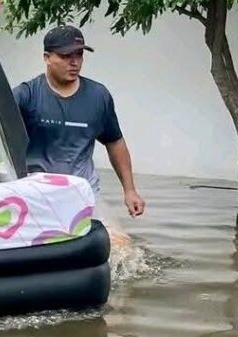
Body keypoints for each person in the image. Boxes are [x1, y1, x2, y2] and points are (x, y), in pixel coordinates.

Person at [14, 25, 145, 219]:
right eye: (66, 56)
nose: (74, 62)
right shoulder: (25, 95)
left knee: (121, 245)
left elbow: (115, 142)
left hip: (84, 192)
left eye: (79, 55)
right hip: (36, 194)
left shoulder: (98, 96)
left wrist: (130, 190)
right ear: (47, 58)